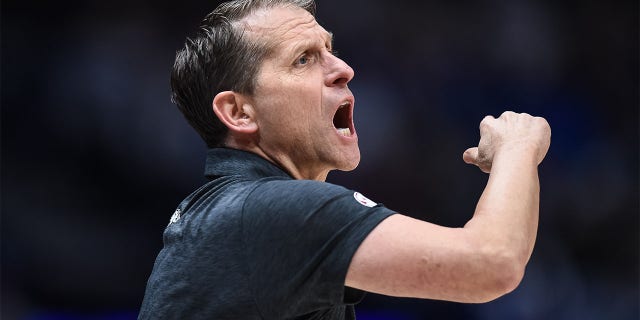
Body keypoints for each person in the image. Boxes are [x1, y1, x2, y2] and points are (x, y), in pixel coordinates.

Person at [138, 0, 551, 319]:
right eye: (303, 58)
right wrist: (518, 146)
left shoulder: (232, 213)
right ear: (239, 113)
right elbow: (491, 262)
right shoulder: (266, 211)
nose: (344, 69)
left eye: (330, 50)